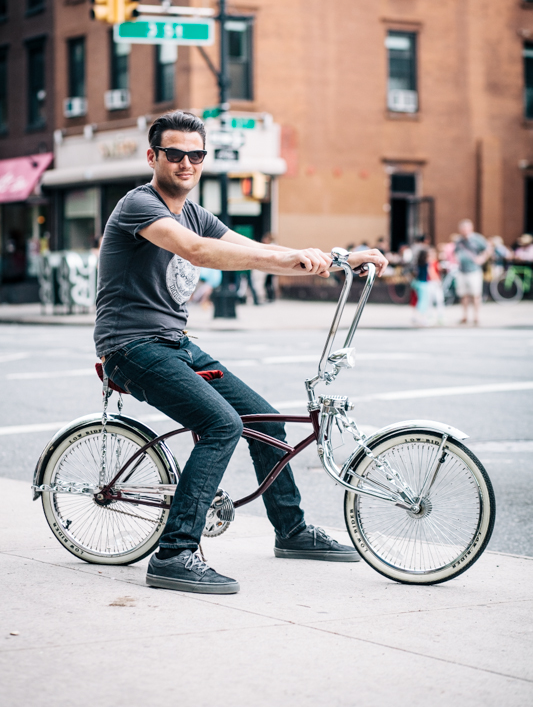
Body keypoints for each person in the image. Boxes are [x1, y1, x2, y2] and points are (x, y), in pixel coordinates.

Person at [95, 111, 388, 595]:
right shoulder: (139, 205)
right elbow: (199, 252)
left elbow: (257, 249)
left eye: (196, 154)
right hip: (131, 345)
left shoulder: (196, 212)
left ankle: (291, 531)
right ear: (153, 157)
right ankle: (174, 554)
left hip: (174, 343)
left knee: (265, 421)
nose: (186, 163)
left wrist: (336, 260)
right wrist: (291, 258)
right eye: (175, 154)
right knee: (222, 425)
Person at [454, 219, 491, 326]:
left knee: (476, 294)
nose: (464, 230)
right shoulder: (459, 240)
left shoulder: (477, 239)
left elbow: (488, 249)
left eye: (466, 228)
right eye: (462, 228)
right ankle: (465, 316)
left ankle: (476, 316)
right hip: (462, 270)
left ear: (471, 228)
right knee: (463, 295)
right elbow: (456, 252)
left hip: (474, 270)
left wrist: (482, 258)